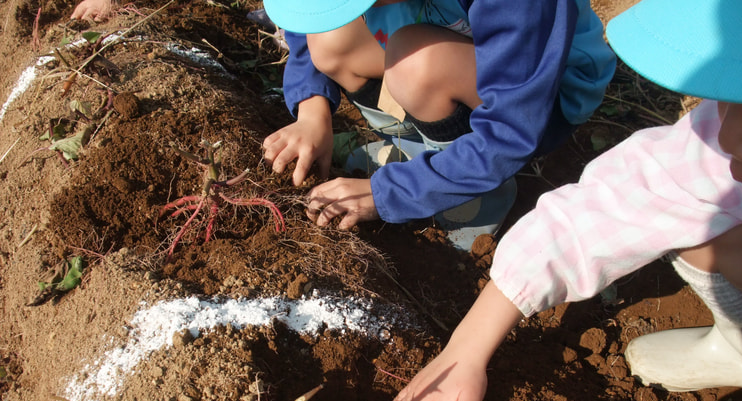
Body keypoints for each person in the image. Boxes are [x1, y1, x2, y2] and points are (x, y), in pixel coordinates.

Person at [363, 0, 742, 401]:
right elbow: (623, 199)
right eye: (737, 97)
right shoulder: (733, 144)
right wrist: (467, 346)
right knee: (712, 225)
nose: (734, 133)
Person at [260, 0, 616, 250]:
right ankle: (420, 149)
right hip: (439, 40)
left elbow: (513, 129)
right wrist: (312, 111)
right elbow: (309, 21)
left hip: (540, 94)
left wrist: (389, 194)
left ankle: (480, 195)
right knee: (330, 40)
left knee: (416, 64)